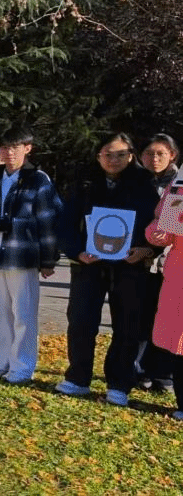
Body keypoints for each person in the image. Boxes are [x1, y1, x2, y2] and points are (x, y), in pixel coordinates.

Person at [55, 133, 160, 406]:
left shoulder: (146, 183)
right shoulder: (85, 181)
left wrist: (147, 249)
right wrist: (76, 251)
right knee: (81, 321)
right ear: (98, 156)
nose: (114, 160)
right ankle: (78, 378)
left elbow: (158, 227)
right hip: (89, 264)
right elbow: (65, 222)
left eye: (120, 154)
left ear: (131, 156)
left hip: (130, 266)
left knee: (127, 325)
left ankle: (120, 384)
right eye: (108, 154)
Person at [0, 127, 62, 384]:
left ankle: (22, 367)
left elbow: (48, 220)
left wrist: (48, 259)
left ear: (27, 148)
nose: (9, 152)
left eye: (15, 147)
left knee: (23, 314)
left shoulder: (38, 180)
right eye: (4, 147)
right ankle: (0, 362)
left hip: (22, 256)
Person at [137, 134, 179, 391]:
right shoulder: (137, 181)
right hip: (141, 260)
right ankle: (142, 371)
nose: (154, 158)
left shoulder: (179, 183)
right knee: (142, 318)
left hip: (170, 264)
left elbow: (171, 227)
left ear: (172, 155)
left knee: (168, 322)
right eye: (149, 153)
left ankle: (164, 375)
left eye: (160, 153)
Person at [145, 187, 183, 420]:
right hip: (180, 279)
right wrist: (157, 232)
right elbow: (162, 230)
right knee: (180, 346)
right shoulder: (179, 189)